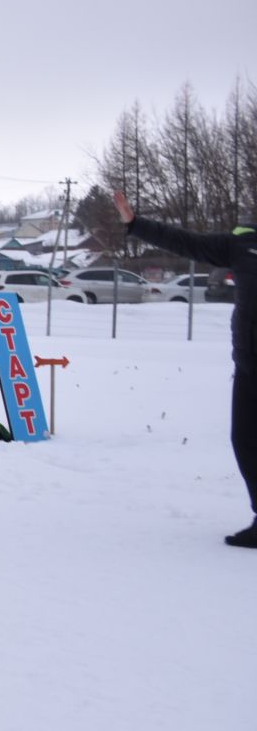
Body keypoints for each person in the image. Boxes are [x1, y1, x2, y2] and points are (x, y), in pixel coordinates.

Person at [113, 191, 256, 548]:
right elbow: (187, 242)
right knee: (246, 442)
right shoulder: (244, 243)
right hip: (251, 363)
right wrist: (135, 224)